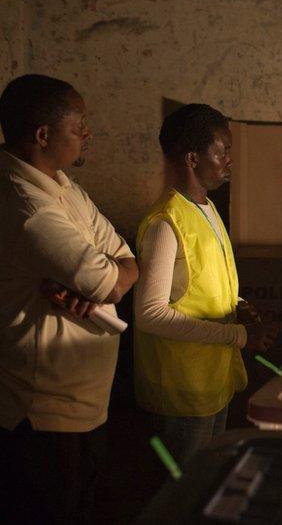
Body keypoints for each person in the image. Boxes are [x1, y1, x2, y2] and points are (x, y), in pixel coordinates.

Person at [0, 74, 139, 523]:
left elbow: (126, 257)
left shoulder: (63, 187)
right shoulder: (29, 208)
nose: (87, 134)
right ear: (43, 134)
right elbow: (113, 284)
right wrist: (109, 278)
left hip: (80, 406)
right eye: (79, 125)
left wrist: (109, 275)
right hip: (42, 414)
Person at [133, 104, 274, 465]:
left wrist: (237, 302)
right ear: (193, 159)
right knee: (185, 492)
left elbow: (198, 280)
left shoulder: (206, 208)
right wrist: (238, 336)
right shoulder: (166, 223)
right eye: (222, 151)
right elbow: (150, 314)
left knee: (207, 479)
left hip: (213, 380)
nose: (230, 160)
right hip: (183, 389)